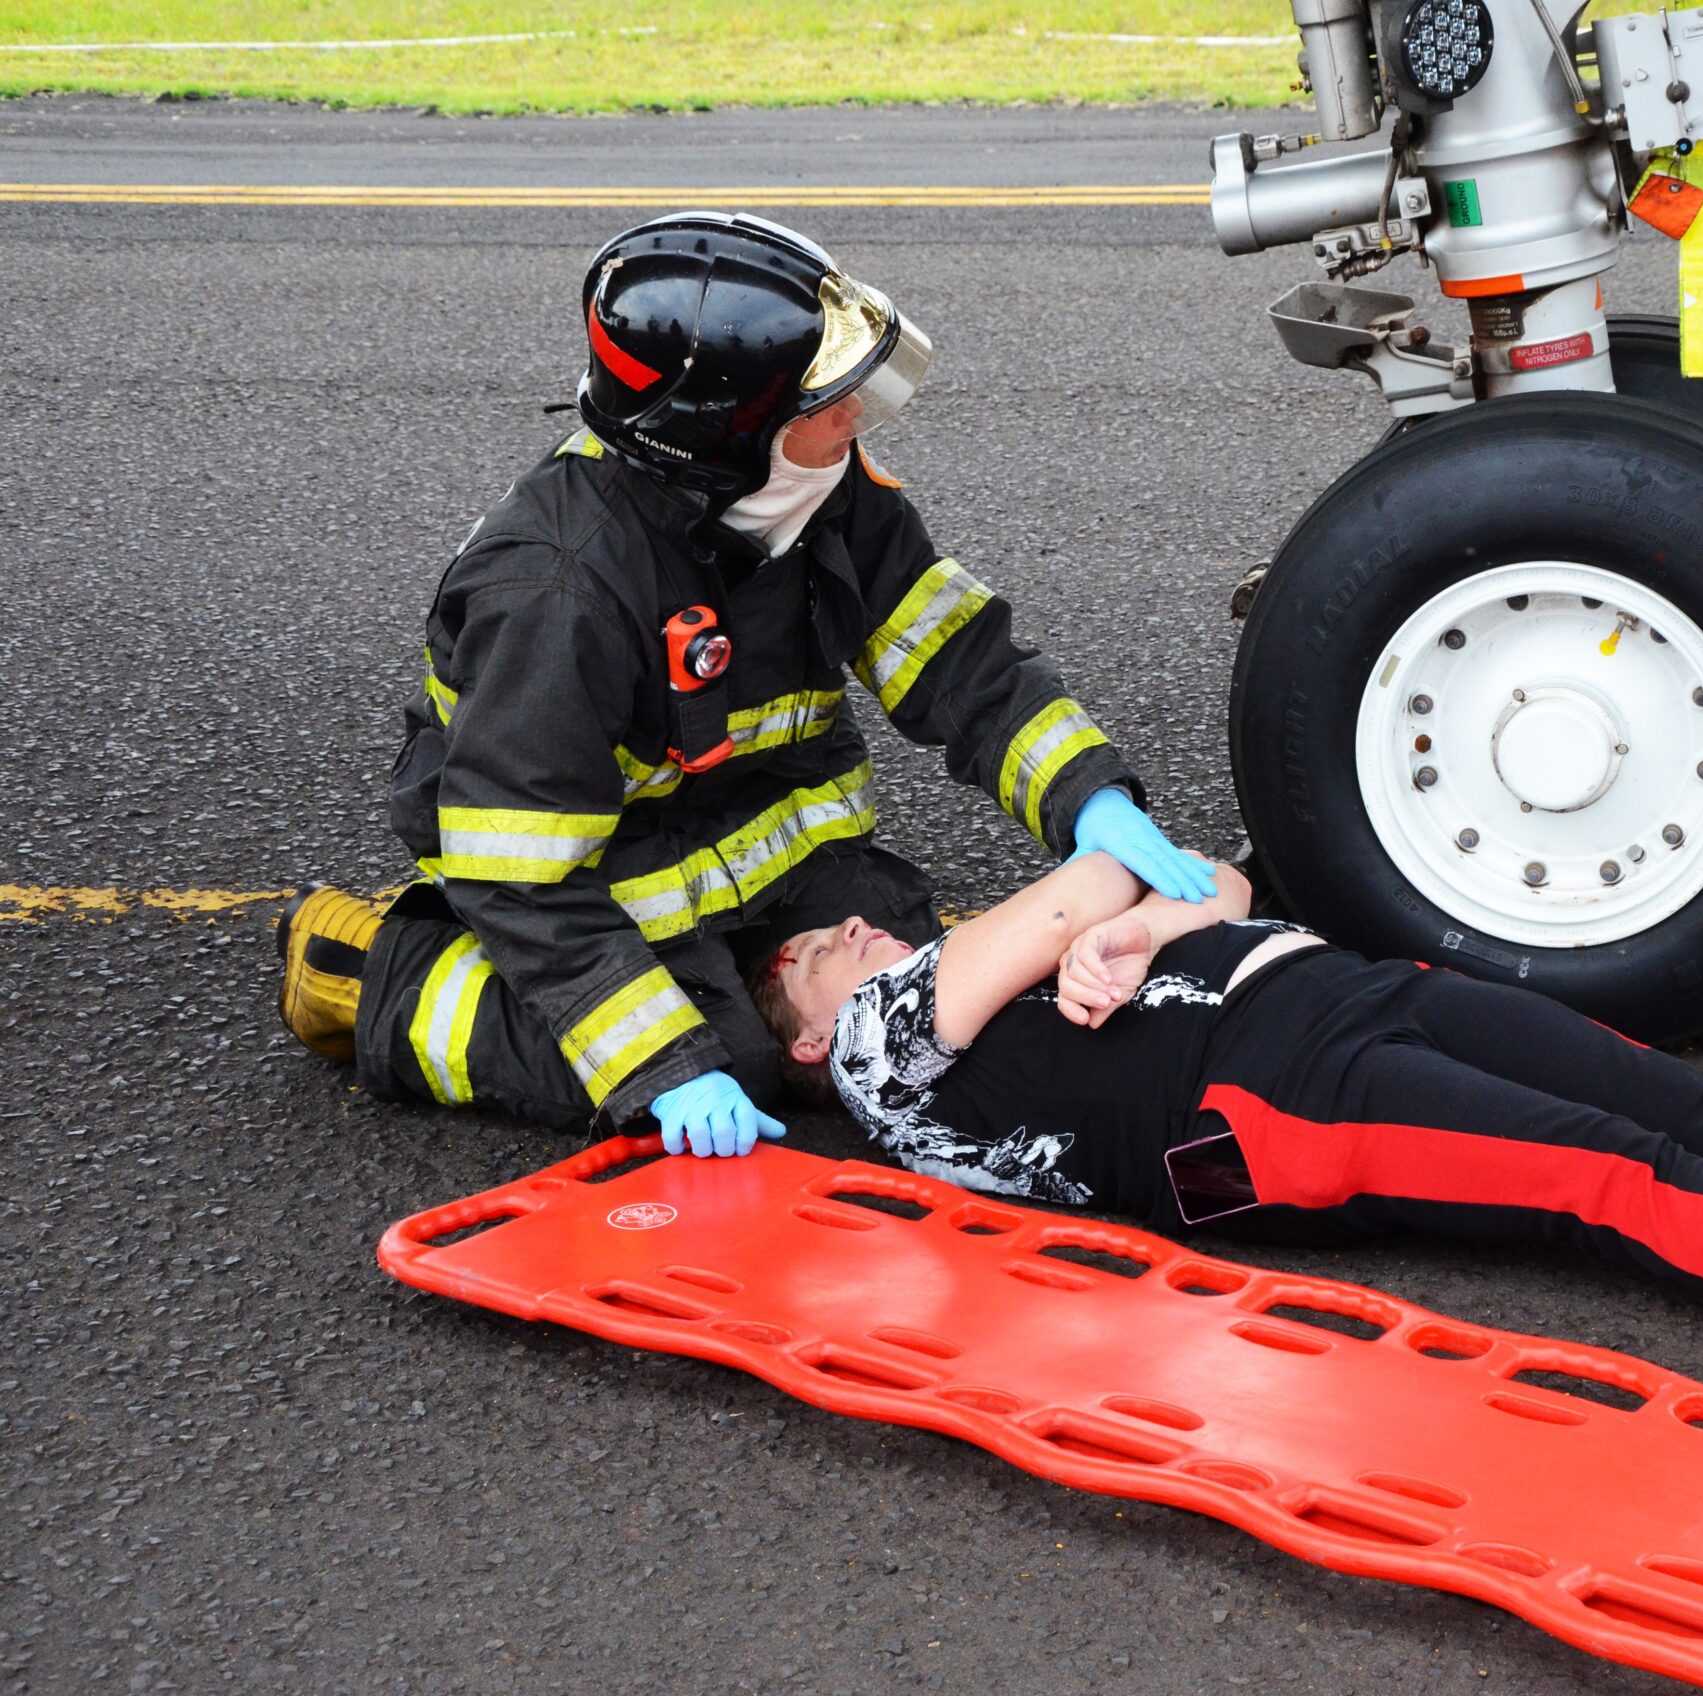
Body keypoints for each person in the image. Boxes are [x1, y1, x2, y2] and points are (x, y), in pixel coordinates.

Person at [275, 211, 1213, 1159]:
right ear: (719, 442)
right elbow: (519, 873)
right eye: (824, 409)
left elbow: (958, 661)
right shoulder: (557, 594)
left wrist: (1089, 799)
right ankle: (371, 975)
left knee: (891, 1014)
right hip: (598, 873)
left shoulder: (815, 490)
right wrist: (665, 1067)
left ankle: (708, 992)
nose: (853, 423)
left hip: (762, 846)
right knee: (716, 1055)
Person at [749, 854, 1703, 1398]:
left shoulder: (970, 970)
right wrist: (1113, 909)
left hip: (1332, 990)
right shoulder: (883, 1058)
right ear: (809, 1036)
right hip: (1263, 1111)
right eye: (823, 948)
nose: (862, 927)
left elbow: (1206, 880)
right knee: (1616, 1178)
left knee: (1694, 1106)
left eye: (862, 919)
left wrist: (1153, 918)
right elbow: (1090, 876)